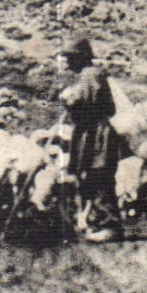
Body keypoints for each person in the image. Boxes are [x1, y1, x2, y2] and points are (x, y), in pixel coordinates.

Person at [57, 36, 123, 242]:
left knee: (99, 176)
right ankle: (97, 222)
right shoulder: (88, 76)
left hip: (97, 134)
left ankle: (108, 225)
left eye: (69, 57)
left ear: (79, 58)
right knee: (90, 178)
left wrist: (68, 97)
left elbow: (83, 99)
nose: (66, 62)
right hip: (89, 132)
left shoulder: (90, 75)